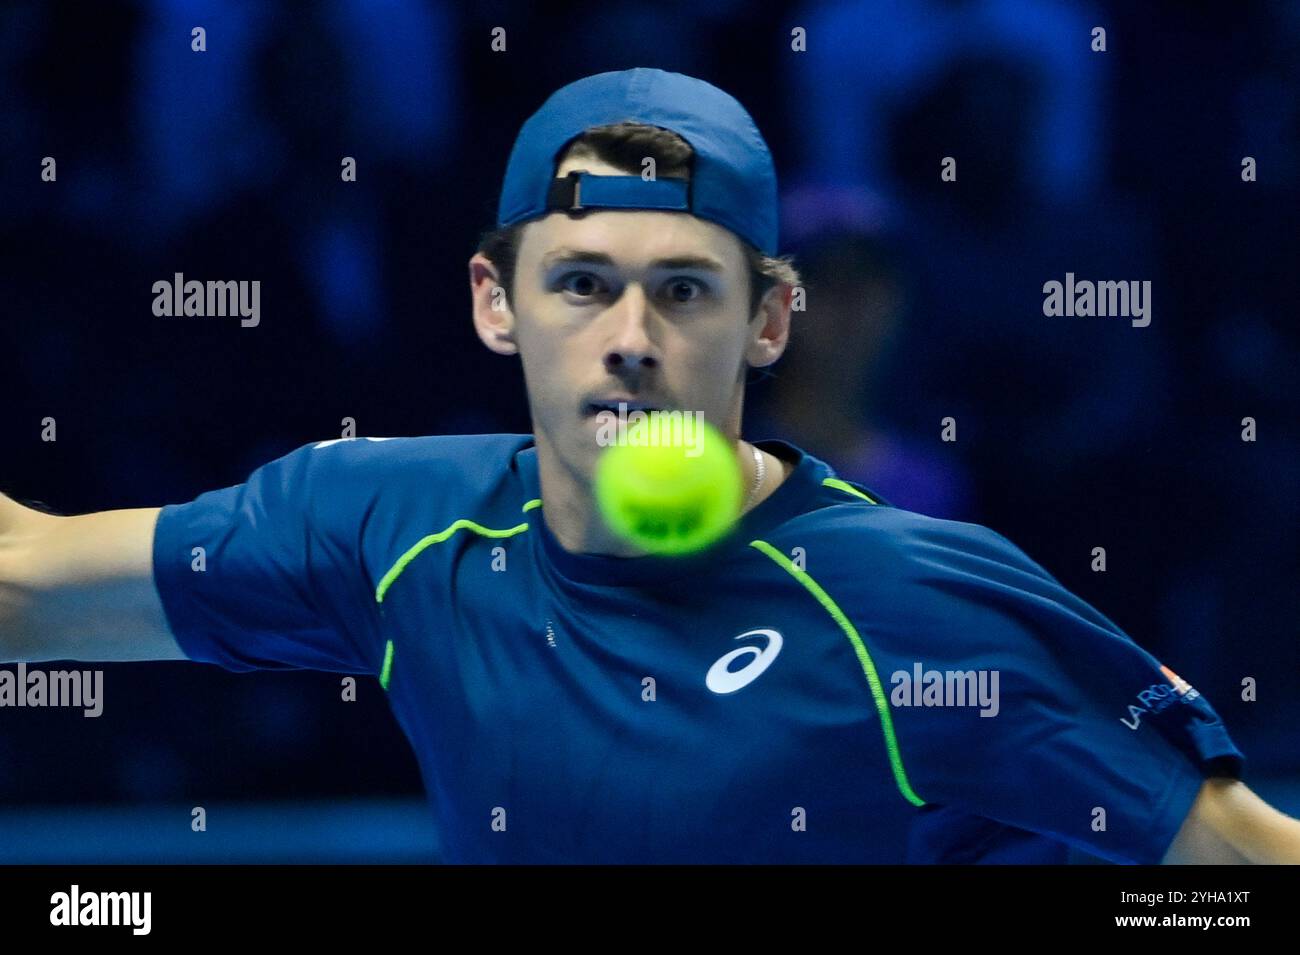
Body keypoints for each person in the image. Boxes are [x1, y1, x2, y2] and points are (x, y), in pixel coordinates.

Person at [2, 68, 1296, 864]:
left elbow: (1240, 861)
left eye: (683, 290)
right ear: (493, 304)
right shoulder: (384, 527)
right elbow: (26, 587)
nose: (631, 341)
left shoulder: (916, 608)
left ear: (770, 320)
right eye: (581, 286)